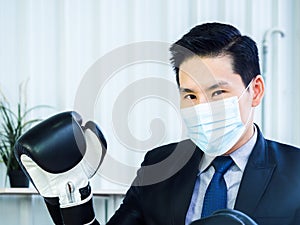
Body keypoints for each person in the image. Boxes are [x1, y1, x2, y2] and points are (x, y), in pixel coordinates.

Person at [15, 22, 300, 225]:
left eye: (218, 92)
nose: (202, 107)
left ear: (256, 91)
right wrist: (73, 197)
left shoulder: (296, 172)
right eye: (190, 94)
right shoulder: (160, 165)